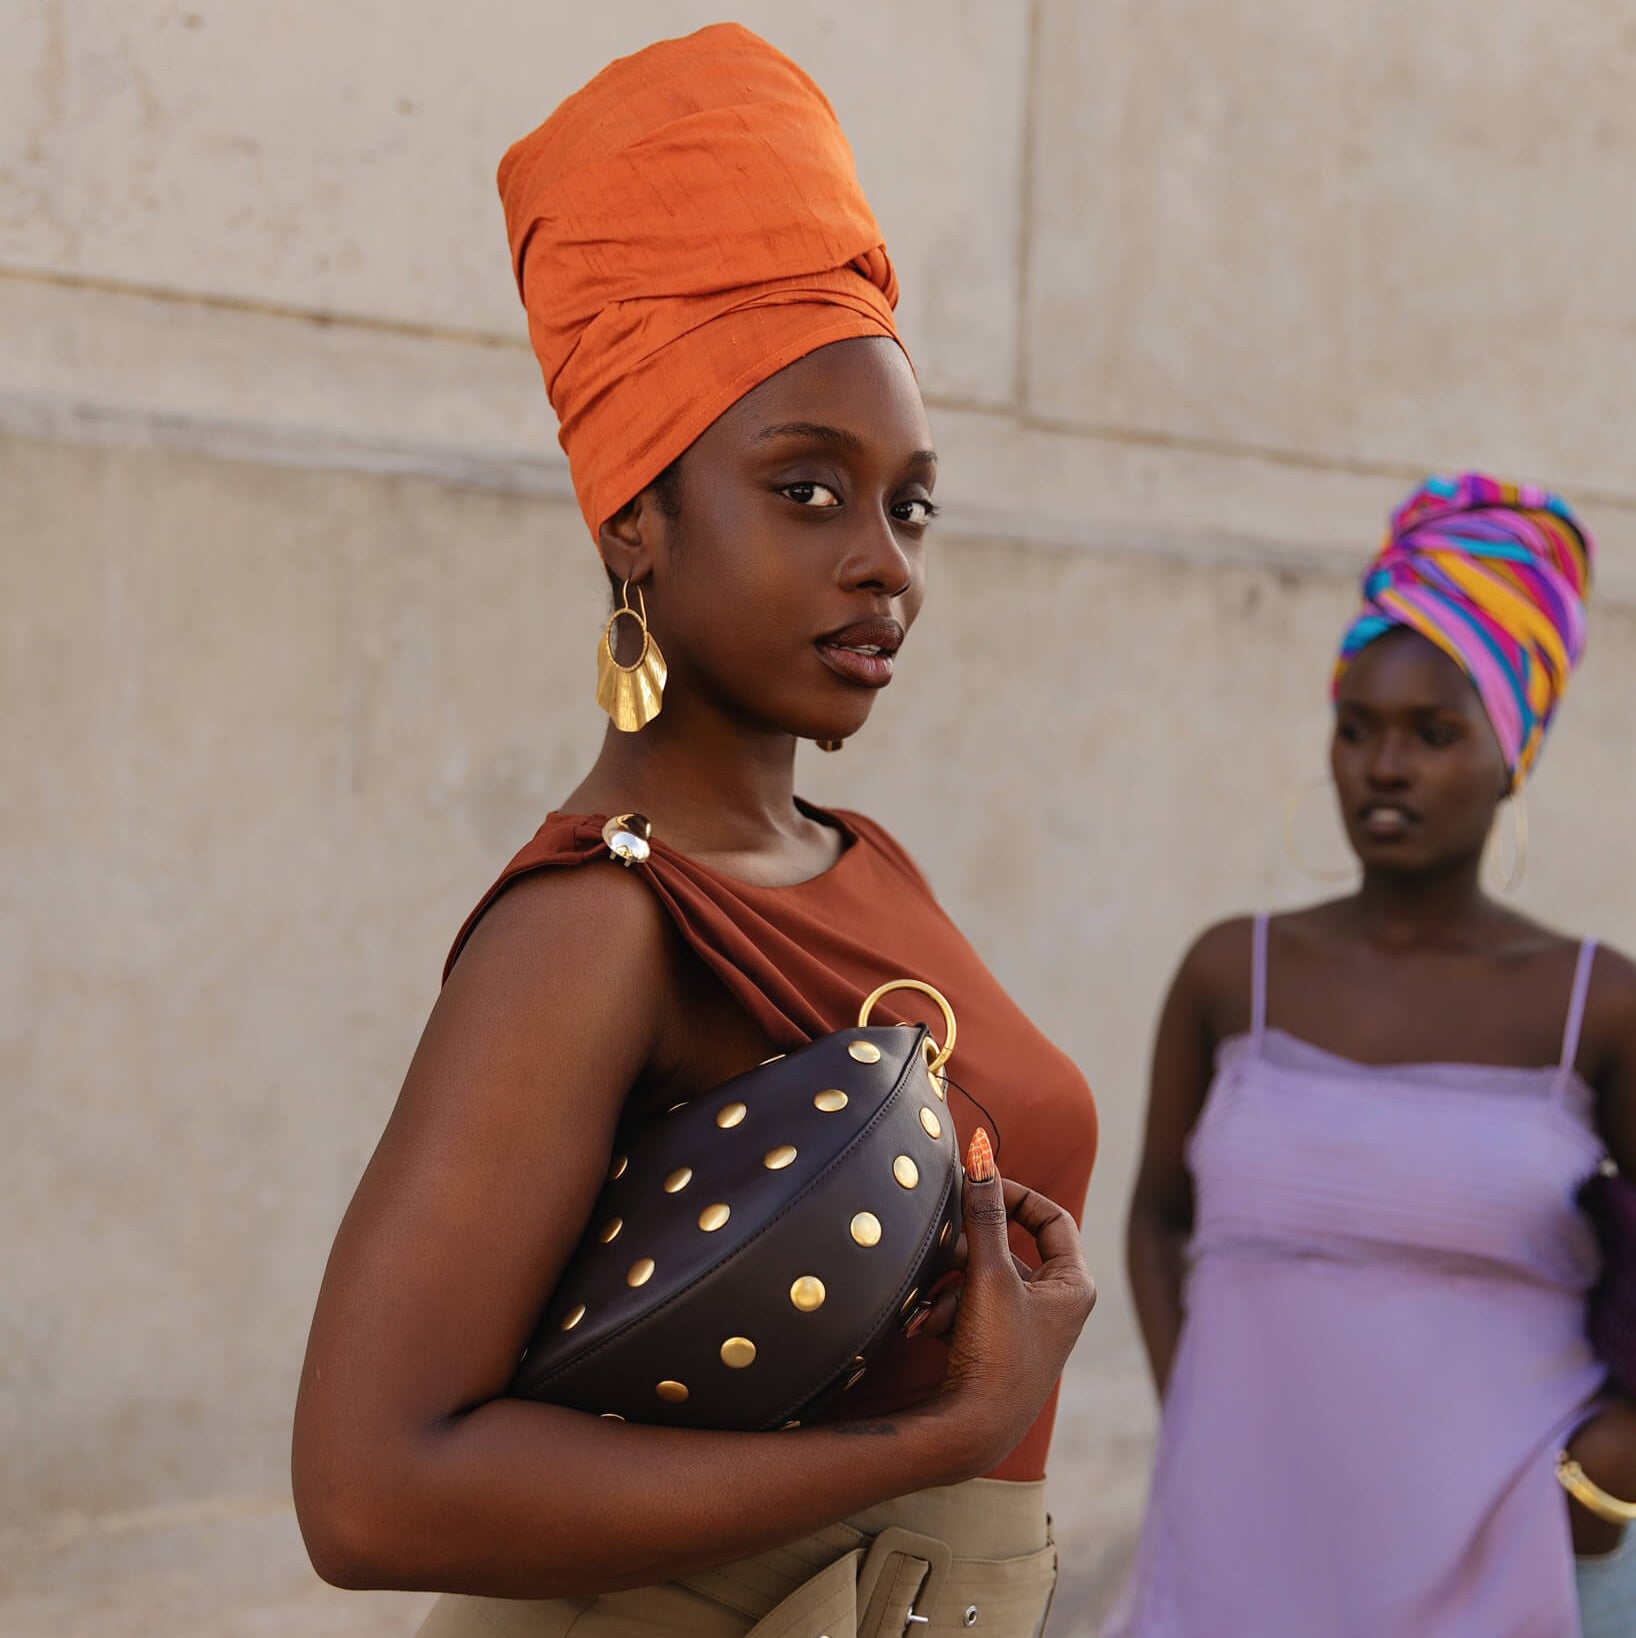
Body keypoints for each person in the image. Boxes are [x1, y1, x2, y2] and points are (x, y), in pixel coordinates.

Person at [290, 25, 1098, 1638]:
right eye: (806, 489)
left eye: (908, 504)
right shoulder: (595, 923)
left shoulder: (855, 857)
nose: (884, 562)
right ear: (633, 522)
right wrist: (943, 1433)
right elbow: (367, 1491)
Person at [1118, 473, 1636, 1636]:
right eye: (1356, 728)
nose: (1383, 766)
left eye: (1433, 734)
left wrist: (1612, 1469)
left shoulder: (1596, 1006)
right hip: (1244, 1553)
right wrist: (1200, 1415)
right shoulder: (1233, 975)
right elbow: (1156, 1217)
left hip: (1516, 1561)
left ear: (1514, 750)